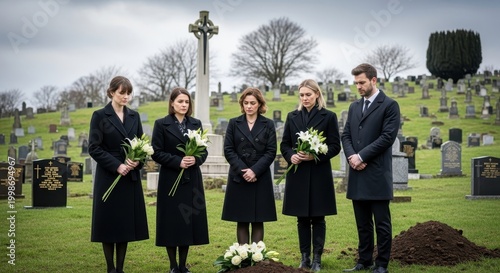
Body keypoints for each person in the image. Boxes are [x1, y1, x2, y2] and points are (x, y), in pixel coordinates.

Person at [341, 63, 400, 273]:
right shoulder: (354, 107)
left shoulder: (389, 105)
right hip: (357, 172)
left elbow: (387, 138)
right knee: (362, 223)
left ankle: (382, 264)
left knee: (382, 223)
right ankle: (364, 260)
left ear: (374, 80)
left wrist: (361, 156)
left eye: (362, 82)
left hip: (376, 172)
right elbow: (346, 135)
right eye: (356, 83)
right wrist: (351, 156)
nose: (358, 86)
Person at [89, 76, 149, 273]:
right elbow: (94, 148)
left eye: (128, 93)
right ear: (112, 92)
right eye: (122, 92)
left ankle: (121, 269)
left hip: (129, 177)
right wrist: (117, 165)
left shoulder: (134, 116)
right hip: (109, 176)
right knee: (108, 224)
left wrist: (137, 160)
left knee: (124, 225)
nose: (126, 97)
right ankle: (110, 268)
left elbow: (141, 145)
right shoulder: (99, 116)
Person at [280, 79, 341, 272]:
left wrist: (315, 156)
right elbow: (284, 144)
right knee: (302, 218)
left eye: (308, 94)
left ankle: (317, 259)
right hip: (298, 173)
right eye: (302, 95)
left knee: (318, 217)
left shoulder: (329, 116)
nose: (305, 98)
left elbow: (334, 146)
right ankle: (304, 258)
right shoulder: (292, 116)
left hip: (318, 172)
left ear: (317, 94)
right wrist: (292, 156)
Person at [151, 87, 209, 273]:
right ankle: (173, 265)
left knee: (187, 220)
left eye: (186, 102)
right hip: (171, 178)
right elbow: (157, 152)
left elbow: (203, 150)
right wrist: (178, 161)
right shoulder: (161, 124)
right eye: (180, 102)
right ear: (172, 103)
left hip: (191, 178)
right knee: (171, 221)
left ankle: (183, 265)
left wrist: (195, 159)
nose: (184, 105)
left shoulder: (196, 123)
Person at [221, 87, 277, 245]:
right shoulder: (234, 123)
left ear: (259, 104)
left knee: (259, 219)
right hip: (239, 176)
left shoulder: (268, 124)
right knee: (242, 219)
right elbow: (228, 149)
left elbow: (271, 151)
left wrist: (254, 171)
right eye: (246, 103)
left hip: (260, 175)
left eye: (253, 103)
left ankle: (256, 258)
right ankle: (243, 256)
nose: (249, 106)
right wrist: (243, 171)